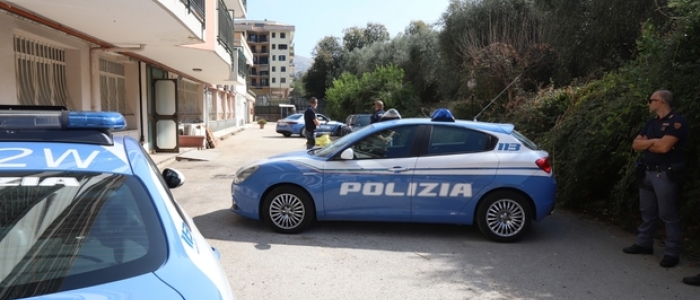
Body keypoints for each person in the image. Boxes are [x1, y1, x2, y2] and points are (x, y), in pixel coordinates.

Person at [623, 90, 688, 269]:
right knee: (647, 212)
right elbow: (636, 144)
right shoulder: (651, 122)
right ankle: (644, 244)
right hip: (647, 172)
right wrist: (654, 141)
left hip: (665, 174)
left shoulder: (677, 121)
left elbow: (664, 148)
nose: (648, 104)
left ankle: (672, 252)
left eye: (650, 100)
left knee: (667, 214)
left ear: (660, 102)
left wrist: (650, 142)